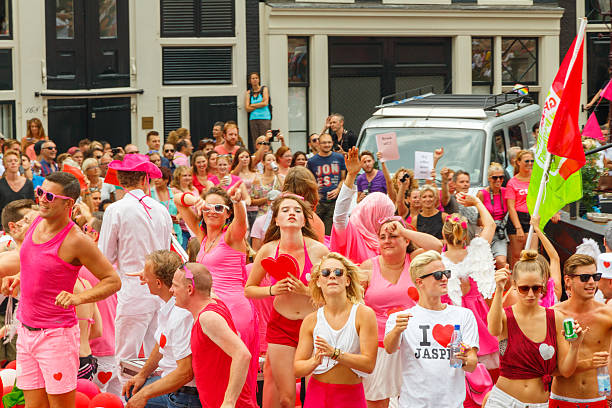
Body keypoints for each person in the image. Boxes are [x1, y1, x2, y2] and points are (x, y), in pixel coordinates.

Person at [1, 172, 120, 407]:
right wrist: (17, 277)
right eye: (40, 192)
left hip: (56, 337)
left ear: (68, 203)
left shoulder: (76, 240)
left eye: (49, 196)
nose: (42, 199)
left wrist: (78, 297)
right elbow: (33, 262)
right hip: (26, 331)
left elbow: (112, 280)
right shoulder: (35, 222)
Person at [175, 185, 259, 405]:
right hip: (211, 309)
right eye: (209, 207)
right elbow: (177, 200)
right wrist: (195, 201)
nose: (212, 211)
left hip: (234, 308)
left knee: (236, 365)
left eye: (219, 208)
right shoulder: (202, 236)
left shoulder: (231, 236)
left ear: (227, 213)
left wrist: (239, 202)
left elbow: (241, 222)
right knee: (215, 368)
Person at [245, 194, 329, 408]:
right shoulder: (268, 250)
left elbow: (334, 291)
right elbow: (249, 290)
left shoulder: (320, 251)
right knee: (285, 398)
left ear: (304, 220)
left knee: (313, 396)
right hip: (281, 325)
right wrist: (272, 290)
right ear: (276, 220)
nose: (291, 213)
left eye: (297, 211)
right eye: (285, 210)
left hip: (314, 326)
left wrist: (307, 290)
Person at [98, 154, 173, 390]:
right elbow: (166, 250)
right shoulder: (160, 208)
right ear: (143, 179)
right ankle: (154, 398)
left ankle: (124, 399)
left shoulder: (116, 209)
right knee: (158, 349)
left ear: (121, 181)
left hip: (133, 286)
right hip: (161, 287)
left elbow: (105, 256)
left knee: (126, 352)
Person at [486, 250, 585, 407]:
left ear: (543, 285)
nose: (531, 294)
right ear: (514, 286)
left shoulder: (556, 318)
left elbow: (566, 371)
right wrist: (498, 289)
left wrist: (575, 345)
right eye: (524, 288)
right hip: (503, 401)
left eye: (536, 288)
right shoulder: (506, 316)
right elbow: (493, 329)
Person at [360, 218, 441, 408]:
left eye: (393, 235)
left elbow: (436, 246)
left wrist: (404, 231)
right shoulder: (368, 267)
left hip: (413, 344)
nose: (387, 240)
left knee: (414, 399)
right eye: (382, 237)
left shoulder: (415, 261)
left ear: (406, 240)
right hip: (378, 345)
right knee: (376, 400)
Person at [384, 250, 479, 408]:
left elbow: (472, 364)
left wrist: (464, 360)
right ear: (420, 282)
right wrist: (397, 330)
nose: (444, 278)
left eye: (446, 273)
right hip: (412, 404)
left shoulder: (463, 315)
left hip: (452, 404)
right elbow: (389, 348)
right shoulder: (400, 318)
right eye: (437, 275)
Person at [294, 253, 378, 408]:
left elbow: (369, 364)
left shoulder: (364, 314)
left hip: (351, 397)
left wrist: (334, 353)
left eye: (338, 272)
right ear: (318, 282)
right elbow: (297, 369)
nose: (332, 276)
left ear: (347, 280)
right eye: (326, 273)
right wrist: (314, 361)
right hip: (317, 395)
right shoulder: (311, 320)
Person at [122, 250, 201, 408]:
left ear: (158, 283)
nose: (143, 277)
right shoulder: (171, 305)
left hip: (185, 394)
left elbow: (186, 373)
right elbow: (162, 343)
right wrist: (142, 375)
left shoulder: (180, 314)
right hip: (175, 387)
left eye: (146, 274)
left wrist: (145, 394)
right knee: (132, 392)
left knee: (135, 396)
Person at [172, 262, 257, 408]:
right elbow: (201, 282)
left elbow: (243, 354)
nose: (171, 290)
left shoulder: (208, 317)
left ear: (190, 289)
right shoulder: (213, 302)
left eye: (175, 285)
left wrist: (229, 402)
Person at [440, 196, 499, 379]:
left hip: (452, 316)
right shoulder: (477, 251)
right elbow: (491, 226)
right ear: (465, 234)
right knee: (483, 371)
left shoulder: (438, 261)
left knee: (455, 368)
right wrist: (477, 203)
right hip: (478, 315)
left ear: (444, 235)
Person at [549, 254, 612, 408]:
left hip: (597, 400)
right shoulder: (553, 314)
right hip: (561, 400)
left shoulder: (608, 315)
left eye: (595, 276)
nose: (591, 282)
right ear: (568, 281)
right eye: (584, 277)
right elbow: (550, 370)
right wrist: (589, 363)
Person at [307, 132, 347, 235]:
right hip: (319, 202)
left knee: (330, 232)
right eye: (324, 143)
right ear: (319, 144)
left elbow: (343, 179)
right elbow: (309, 181)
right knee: (316, 230)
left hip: (335, 201)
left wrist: (338, 189)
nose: (327, 145)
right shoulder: (312, 161)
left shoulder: (339, 158)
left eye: (329, 142)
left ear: (332, 143)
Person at [506, 150, 535, 268]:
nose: (530, 163)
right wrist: (518, 228)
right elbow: (511, 207)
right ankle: (515, 281)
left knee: (532, 254)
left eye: (532, 161)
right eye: (526, 161)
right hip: (517, 218)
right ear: (518, 162)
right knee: (517, 255)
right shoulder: (512, 182)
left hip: (532, 218)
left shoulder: (536, 180)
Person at [477, 162, 508, 269]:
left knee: (501, 261)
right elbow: (478, 218)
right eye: (495, 178)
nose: (498, 180)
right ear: (489, 178)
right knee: (484, 263)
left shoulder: (505, 192)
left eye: (501, 177)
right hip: (486, 230)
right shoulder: (482, 194)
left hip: (500, 231)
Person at [440, 168, 479, 239]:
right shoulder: (451, 199)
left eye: (467, 182)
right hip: (456, 243)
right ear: (454, 184)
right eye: (462, 182)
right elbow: (445, 198)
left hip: (472, 243)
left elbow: (479, 223)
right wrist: (444, 181)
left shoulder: (474, 201)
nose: (465, 184)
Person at [150, 166, 183, 248]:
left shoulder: (174, 192)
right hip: (158, 230)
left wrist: (177, 217)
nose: (156, 180)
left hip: (175, 229)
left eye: (159, 178)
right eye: (155, 177)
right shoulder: (150, 193)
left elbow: (182, 211)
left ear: (166, 179)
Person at [0, 151, 34, 221]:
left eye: (16, 160)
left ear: (19, 163)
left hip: (24, 222)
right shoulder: (1, 184)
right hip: (4, 223)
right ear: (4, 164)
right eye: (9, 161)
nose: (13, 163)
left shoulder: (28, 183)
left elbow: (31, 206)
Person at [231, 148, 259, 227]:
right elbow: (234, 175)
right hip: (241, 208)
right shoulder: (234, 174)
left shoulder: (256, 172)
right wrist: (240, 163)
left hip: (255, 207)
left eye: (247, 157)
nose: (244, 159)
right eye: (242, 157)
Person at [246, 72, 272, 148]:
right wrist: (259, 104)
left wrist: (253, 105)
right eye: (253, 78)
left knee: (266, 139)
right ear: (250, 81)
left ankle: (267, 156)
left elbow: (265, 103)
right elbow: (247, 108)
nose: (255, 80)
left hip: (265, 118)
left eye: (256, 78)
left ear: (259, 79)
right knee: (256, 140)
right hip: (253, 119)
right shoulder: (248, 93)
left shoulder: (264, 89)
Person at [251, 152, 282, 217]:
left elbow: (286, 190)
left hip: (278, 215)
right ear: (263, 162)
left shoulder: (280, 178)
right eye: (269, 160)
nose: (271, 162)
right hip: (263, 215)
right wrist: (267, 198)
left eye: (273, 160)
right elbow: (252, 202)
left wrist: (277, 174)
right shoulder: (257, 180)